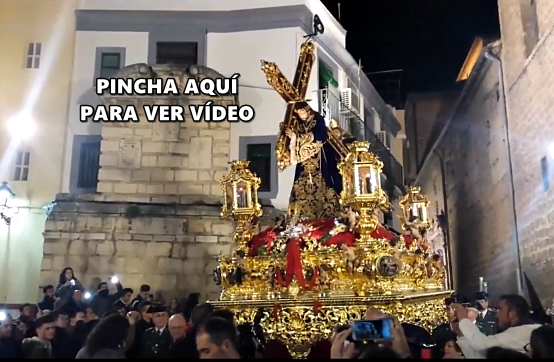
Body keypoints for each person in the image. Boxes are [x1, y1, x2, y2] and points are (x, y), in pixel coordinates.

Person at [284, 101, 342, 220]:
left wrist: (298, 138)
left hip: (318, 157)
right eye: (298, 113)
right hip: (304, 160)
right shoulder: (299, 124)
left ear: (307, 110)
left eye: (302, 112)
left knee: (324, 182)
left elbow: (321, 135)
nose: (301, 115)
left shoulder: (318, 119)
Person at [451, 294, 541, 358]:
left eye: (500, 309)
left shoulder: (521, 332)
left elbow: (481, 344)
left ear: (512, 314)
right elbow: (484, 356)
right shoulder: (530, 330)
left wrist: (464, 318)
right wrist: (461, 335)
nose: (496, 315)